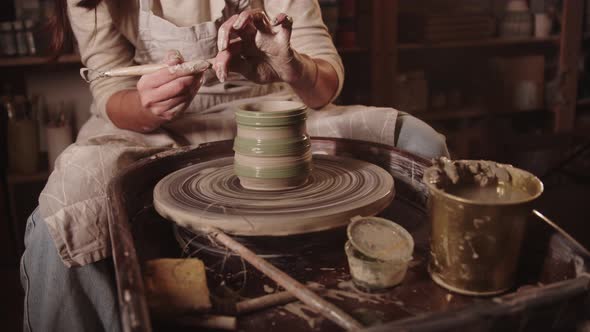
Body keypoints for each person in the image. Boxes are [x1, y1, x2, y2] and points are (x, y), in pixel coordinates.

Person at [20, 1, 449, 331]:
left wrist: (289, 64)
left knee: (419, 142)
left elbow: (322, 87)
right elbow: (109, 87)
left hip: (271, 107)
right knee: (61, 218)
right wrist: (149, 105)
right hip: (148, 124)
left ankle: (434, 305)